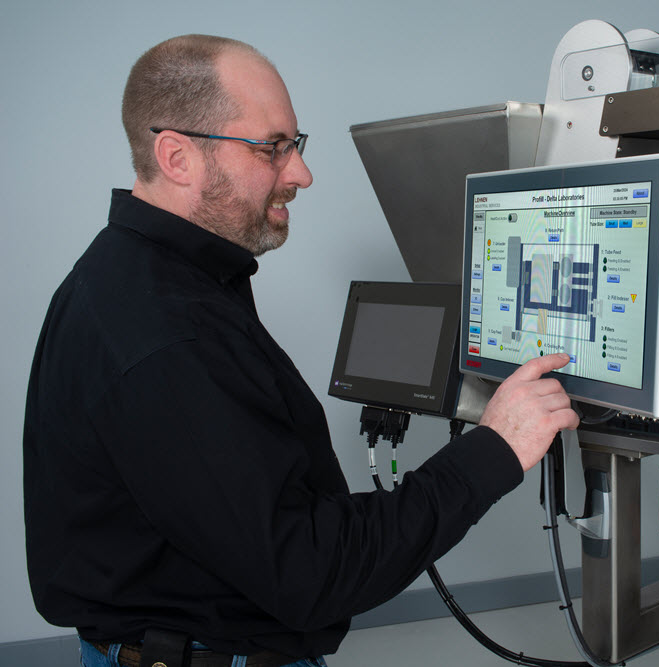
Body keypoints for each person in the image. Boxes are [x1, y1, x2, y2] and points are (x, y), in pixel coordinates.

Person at [23, 35, 579, 667]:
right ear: (177, 157)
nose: (301, 173)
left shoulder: (137, 277)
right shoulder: (166, 334)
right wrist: (496, 448)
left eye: (295, 143)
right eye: (271, 148)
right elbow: (312, 572)